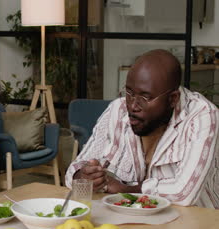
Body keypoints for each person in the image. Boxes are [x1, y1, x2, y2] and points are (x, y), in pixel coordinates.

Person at [65, 49, 219, 208]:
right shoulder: (117, 110)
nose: (132, 106)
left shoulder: (202, 117)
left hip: (198, 221)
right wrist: (83, 176)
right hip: (133, 217)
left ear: (173, 99)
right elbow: (77, 167)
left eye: (145, 97)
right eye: (129, 93)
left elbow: (183, 193)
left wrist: (127, 189)